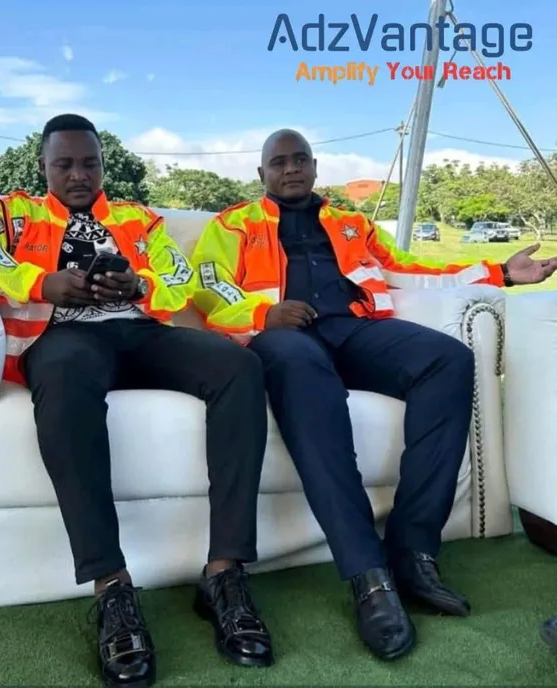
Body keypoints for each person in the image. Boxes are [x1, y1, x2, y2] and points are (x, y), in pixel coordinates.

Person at [190, 128, 557, 662]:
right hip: (285, 339)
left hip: (354, 330)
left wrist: (500, 272)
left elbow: (411, 270)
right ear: (261, 173)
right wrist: (264, 314)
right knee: (307, 379)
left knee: (448, 359)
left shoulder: (351, 223)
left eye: (300, 160)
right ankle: (368, 574)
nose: (291, 169)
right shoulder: (233, 224)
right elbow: (207, 282)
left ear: (315, 167)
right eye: (279, 162)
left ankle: (413, 550)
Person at [0, 114, 273, 685]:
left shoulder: (138, 219)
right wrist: (42, 282)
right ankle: (112, 586)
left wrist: (138, 285)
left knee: (239, 365)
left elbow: (178, 277)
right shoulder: (13, 214)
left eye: (89, 163)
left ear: (102, 166)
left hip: (138, 331)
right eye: (64, 164)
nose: (78, 174)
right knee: (66, 376)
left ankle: (224, 572)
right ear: (44, 166)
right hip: (63, 339)